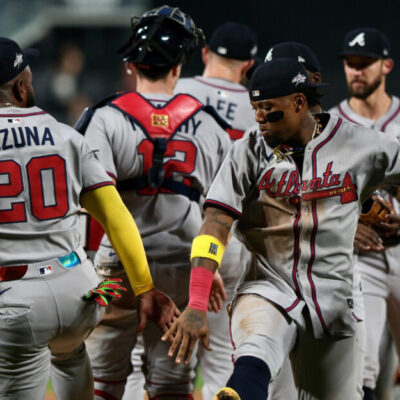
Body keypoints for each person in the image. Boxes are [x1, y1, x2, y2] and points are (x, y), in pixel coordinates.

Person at [162, 57, 400, 400]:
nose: (258, 117)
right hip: (268, 285)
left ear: (299, 103)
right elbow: (215, 224)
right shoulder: (247, 152)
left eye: (268, 108)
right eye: (255, 107)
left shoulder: (361, 144)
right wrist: (197, 301)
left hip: (332, 298)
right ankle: (240, 392)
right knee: (257, 345)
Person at [0, 37, 177, 400]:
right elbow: (116, 217)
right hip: (77, 291)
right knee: (69, 354)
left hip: (15, 299)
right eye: (29, 78)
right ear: (19, 88)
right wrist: (144, 287)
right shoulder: (66, 136)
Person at [77, 5, 231, 400]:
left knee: (102, 383)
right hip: (183, 262)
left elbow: (93, 206)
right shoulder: (210, 124)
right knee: (172, 385)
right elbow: (220, 213)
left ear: (133, 66)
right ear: (179, 67)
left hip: (118, 268)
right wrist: (207, 268)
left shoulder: (104, 117)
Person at [261, 41, 366, 400]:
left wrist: (359, 216)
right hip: (275, 288)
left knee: (351, 388)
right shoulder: (256, 142)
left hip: (335, 288)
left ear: (312, 82)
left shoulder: (350, 139)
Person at [172, 21, 257, 400]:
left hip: (173, 229)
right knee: (223, 351)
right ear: (249, 65)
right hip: (231, 233)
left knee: (165, 354)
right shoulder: (259, 102)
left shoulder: (177, 89)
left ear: (205, 55)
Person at [329, 27, 400, 400]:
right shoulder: (329, 127)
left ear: (386, 65)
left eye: (364, 63)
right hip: (359, 258)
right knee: (363, 367)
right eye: (350, 64)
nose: (356, 71)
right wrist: (344, 224)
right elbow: (312, 196)